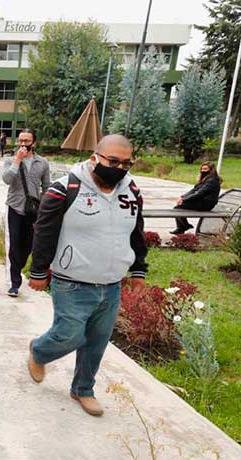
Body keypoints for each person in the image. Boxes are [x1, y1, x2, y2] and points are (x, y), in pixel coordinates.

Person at [27, 134, 148, 417]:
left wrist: (139, 269)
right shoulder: (64, 188)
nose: (119, 168)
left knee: (96, 342)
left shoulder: (131, 192)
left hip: (111, 284)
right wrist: (38, 270)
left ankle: (83, 389)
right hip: (72, 283)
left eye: (126, 163)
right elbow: (45, 231)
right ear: (96, 157)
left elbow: (136, 232)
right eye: (113, 161)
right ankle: (40, 351)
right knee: (69, 335)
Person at [2, 129, 51, 297]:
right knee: (14, 244)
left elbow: (46, 187)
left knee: (28, 245)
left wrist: (46, 208)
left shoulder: (42, 163)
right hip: (15, 207)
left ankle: (19, 266)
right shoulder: (10, 160)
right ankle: (15, 283)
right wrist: (17, 160)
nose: (23, 144)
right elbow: (7, 179)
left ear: (34, 143)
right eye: (21, 140)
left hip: (34, 209)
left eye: (27, 141)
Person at [171, 162, 222, 235]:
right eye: (202, 169)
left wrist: (184, 200)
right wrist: (182, 197)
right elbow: (194, 190)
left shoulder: (212, 181)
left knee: (177, 208)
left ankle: (183, 227)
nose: (203, 171)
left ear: (211, 170)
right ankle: (182, 227)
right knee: (178, 207)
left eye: (205, 169)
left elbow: (199, 194)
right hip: (201, 202)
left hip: (206, 204)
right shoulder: (205, 179)